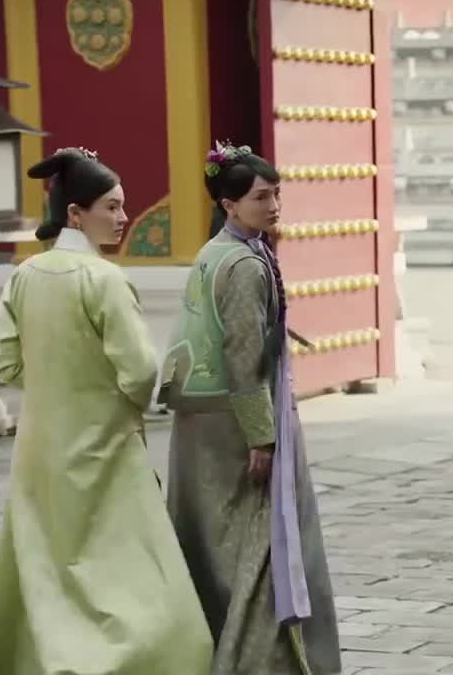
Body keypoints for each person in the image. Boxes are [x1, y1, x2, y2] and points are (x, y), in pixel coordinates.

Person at [0, 147, 213, 674]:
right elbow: (139, 370)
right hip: (106, 443)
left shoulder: (25, 275)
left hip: (39, 448)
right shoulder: (104, 279)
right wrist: (117, 402)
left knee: (49, 562)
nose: (124, 217)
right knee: (127, 562)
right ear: (76, 214)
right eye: (112, 206)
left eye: (123, 205)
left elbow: (7, 364)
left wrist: (56, 387)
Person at [161, 142, 340, 674]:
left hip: (203, 414)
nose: (274, 205)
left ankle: (207, 640)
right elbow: (242, 355)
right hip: (234, 422)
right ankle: (259, 657)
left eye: (276, 193)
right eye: (261, 197)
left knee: (210, 531)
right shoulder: (244, 264)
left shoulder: (217, 250)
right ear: (229, 204)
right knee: (257, 536)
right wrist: (261, 437)